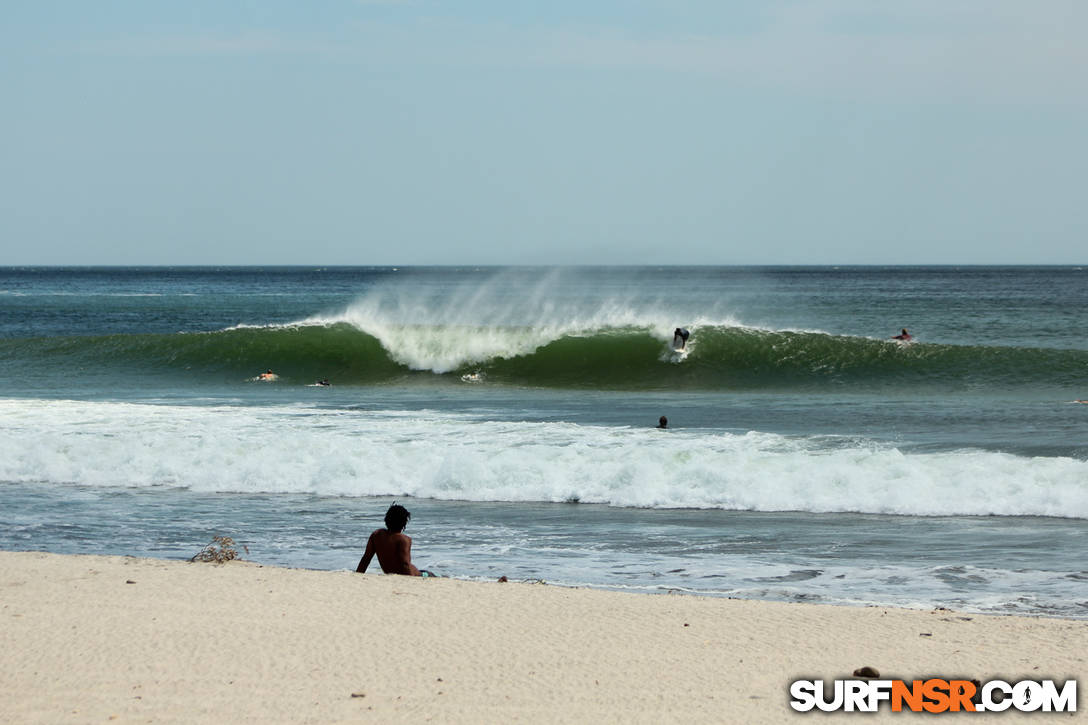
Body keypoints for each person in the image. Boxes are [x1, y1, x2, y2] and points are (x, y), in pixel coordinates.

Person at [356, 503, 422, 576]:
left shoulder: (376, 535)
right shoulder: (404, 539)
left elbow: (366, 559)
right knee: (429, 574)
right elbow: (405, 564)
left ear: (387, 519)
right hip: (416, 574)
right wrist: (412, 580)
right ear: (404, 523)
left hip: (394, 573)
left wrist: (357, 575)